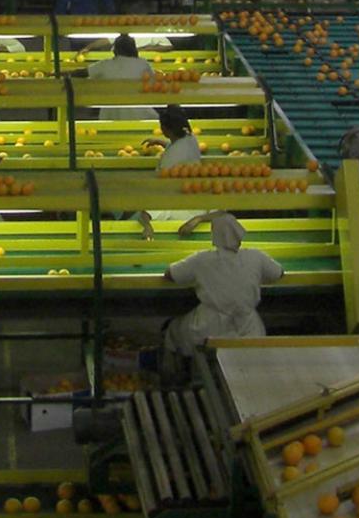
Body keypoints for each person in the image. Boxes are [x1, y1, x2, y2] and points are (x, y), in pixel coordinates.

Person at [162, 211, 285, 356]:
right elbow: (279, 273)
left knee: (173, 330)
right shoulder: (256, 257)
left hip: (208, 328)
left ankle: (185, 372)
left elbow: (170, 274)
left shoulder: (202, 259)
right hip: (248, 330)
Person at [137, 106, 201, 239]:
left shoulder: (170, 162)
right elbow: (179, 148)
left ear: (165, 129)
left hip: (177, 197)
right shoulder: (190, 138)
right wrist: (163, 143)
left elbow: (160, 186)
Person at [86, 34, 159, 120]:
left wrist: (67, 73)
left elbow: (83, 72)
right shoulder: (143, 64)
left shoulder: (105, 64)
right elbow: (154, 84)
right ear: (134, 49)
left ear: (115, 50)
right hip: (139, 114)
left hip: (110, 116)